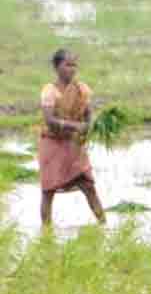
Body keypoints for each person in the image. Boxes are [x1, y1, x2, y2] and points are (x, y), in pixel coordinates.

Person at [38, 49, 105, 227]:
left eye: (74, 65)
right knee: (48, 191)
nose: (72, 69)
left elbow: (89, 114)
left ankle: (105, 227)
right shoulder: (49, 91)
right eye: (67, 65)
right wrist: (76, 126)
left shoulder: (81, 89)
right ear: (57, 67)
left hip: (74, 145)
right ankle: (46, 234)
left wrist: (88, 128)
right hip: (52, 144)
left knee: (89, 186)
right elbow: (50, 121)